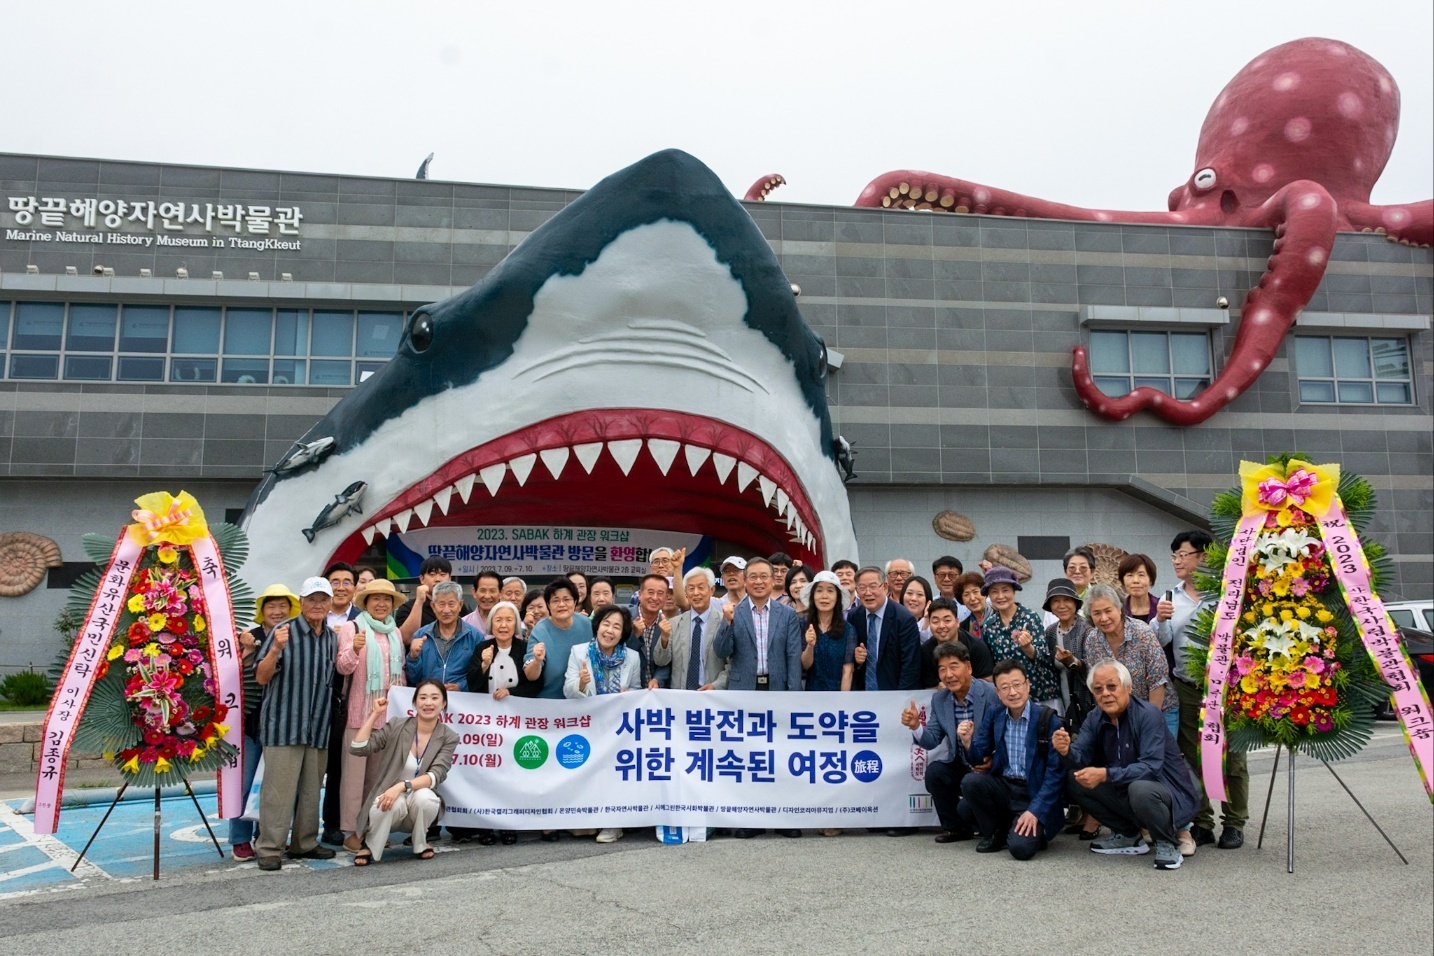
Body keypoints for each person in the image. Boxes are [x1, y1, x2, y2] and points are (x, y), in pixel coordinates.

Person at [1054, 660, 1201, 871]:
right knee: (1075, 778)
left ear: (1128, 688)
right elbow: (1079, 757)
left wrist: (1105, 774)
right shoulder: (1095, 717)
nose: (1105, 693)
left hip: (1168, 794)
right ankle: (1128, 835)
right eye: (1098, 689)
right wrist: (1065, 750)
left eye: (1112, 686)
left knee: (1140, 787)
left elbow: (1150, 768)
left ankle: (1166, 842)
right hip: (1127, 790)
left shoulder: (1148, 715)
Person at [1167, 530, 1247, 850]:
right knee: (1192, 757)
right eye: (1174, 556)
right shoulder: (1170, 597)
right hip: (1186, 687)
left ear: (1203, 557)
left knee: (1232, 758)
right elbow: (1163, 641)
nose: (1177, 561)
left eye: (1182, 555)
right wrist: (1159, 621)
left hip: (1227, 688)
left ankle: (1234, 823)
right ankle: (1202, 822)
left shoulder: (1228, 593)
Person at [713, 558, 803, 839]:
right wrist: (727, 623)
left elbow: (793, 656)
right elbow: (721, 650)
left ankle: (785, 818)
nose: (759, 581)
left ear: (773, 579)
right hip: (745, 693)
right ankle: (752, 818)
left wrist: (793, 697)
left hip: (777, 691)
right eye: (753, 576)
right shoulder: (733, 612)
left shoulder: (787, 614)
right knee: (750, 757)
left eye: (764, 576)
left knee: (780, 756)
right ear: (745, 580)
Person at [253, 577, 339, 871]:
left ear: (330, 604)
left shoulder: (331, 638)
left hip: (318, 726)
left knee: (311, 791)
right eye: (311, 599)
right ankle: (269, 847)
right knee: (278, 791)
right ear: (300, 603)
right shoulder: (283, 631)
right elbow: (261, 677)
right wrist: (275, 649)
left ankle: (304, 843)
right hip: (284, 725)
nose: (317, 605)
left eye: (323, 599)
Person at [957, 661, 1067, 860]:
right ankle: (996, 833)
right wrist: (967, 742)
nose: (1013, 692)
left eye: (1017, 685)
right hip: (1005, 787)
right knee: (969, 789)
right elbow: (977, 757)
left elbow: (1055, 775)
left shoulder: (1048, 719)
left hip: (1033, 793)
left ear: (1027, 685)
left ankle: (1029, 828)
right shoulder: (996, 714)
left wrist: (1035, 811)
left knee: (1020, 849)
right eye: (1005, 687)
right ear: (998, 692)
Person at [348, 679, 459, 865]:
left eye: (434, 698)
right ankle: (370, 844)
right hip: (391, 803)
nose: (428, 703)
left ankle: (420, 842)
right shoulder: (397, 725)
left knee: (426, 797)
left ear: (444, 703)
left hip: (416, 802)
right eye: (422, 698)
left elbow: (436, 775)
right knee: (392, 801)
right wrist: (375, 714)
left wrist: (401, 786)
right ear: (414, 702)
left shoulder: (449, 737)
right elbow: (358, 748)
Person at [334, 577, 407, 852]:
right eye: (375, 598)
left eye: (386, 599)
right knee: (353, 780)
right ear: (366, 602)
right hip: (359, 715)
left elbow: (400, 674)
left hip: (386, 718)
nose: (381, 603)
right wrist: (354, 648)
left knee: (378, 779)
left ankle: (374, 827)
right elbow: (342, 668)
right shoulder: (352, 628)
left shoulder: (395, 632)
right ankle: (352, 831)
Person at [901, 641, 998, 843]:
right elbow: (931, 740)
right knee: (935, 772)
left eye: (954, 667)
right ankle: (956, 829)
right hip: (961, 764)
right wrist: (916, 726)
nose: (949, 675)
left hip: (990, 767)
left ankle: (993, 828)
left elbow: (1005, 733)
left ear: (968, 667)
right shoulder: (940, 699)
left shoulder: (991, 693)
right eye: (942, 669)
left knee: (967, 808)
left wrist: (994, 759)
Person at [230, 584, 297, 861]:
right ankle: (239, 838)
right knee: (245, 783)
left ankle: (265, 836)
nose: (277, 611)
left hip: (283, 724)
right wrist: (246, 651)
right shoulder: (250, 637)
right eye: (271, 606)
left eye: (282, 606)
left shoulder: (296, 637)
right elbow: (235, 677)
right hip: (251, 723)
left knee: (275, 785)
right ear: (262, 610)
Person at [565, 604, 641, 845]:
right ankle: (588, 818)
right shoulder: (579, 652)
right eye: (606, 624)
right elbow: (567, 691)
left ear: (623, 632)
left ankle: (613, 823)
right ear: (597, 626)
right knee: (589, 772)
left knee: (616, 772)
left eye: (616, 626)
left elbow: (637, 689)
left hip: (618, 727)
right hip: (589, 723)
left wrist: (630, 695)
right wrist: (581, 683)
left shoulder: (632, 657)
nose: (610, 630)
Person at [319, 561, 361, 845]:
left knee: (338, 766)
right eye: (335, 582)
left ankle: (333, 824)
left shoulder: (362, 619)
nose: (341, 587)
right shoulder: (314, 614)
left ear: (355, 588)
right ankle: (299, 827)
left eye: (347, 582)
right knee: (311, 767)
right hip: (313, 699)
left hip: (344, 700)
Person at [980, 567, 1059, 707]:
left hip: (1040, 693)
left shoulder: (1030, 617)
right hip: (1010, 697)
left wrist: (1028, 648)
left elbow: (1046, 658)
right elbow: (991, 663)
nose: (1000, 596)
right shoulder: (989, 625)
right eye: (994, 592)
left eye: (1005, 590)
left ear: (1014, 591)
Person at [846, 566, 922, 693]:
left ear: (885, 587)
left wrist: (901, 698)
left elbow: (910, 666)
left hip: (894, 693)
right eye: (862, 588)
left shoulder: (904, 619)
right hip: (862, 694)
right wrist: (857, 659)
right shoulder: (854, 616)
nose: (868, 593)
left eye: (873, 586)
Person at [407, 581, 482, 692]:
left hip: (462, 700)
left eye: (451, 604)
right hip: (429, 698)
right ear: (433, 606)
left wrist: (461, 686)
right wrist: (413, 657)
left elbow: (480, 674)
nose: (446, 610)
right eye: (441, 604)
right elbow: (413, 678)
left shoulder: (475, 637)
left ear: (460, 605)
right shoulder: (421, 635)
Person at [526, 578, 595, 700]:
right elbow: (530, 675)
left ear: (575, 602)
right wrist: (537, 661)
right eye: (555, 600)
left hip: (584, 698)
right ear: (548, 605)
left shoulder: (587, 624)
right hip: (550, 701)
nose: (561, 605)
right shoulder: (540, 631)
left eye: (566, 599)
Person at [1043, 577, 1097, 730]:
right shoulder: (1050, 632)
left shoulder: (1087, 630)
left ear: (1075, 603)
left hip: (1084, 698)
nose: (1062, 605)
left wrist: (1073, 661)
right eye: (1056, 601)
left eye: (1067, 600)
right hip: (1060, 696)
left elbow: (1094, 666)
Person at [668, 568, 730, 692]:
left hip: (712, 695)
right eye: (691, 588)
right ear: (685, 592)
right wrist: (664, 639)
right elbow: (662, 662)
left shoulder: (725, 622)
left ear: (712, 590)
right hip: (680, 695)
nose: (696, 593)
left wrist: (716, 685)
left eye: (701, 588)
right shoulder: (674, 623)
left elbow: (733, 664)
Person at [799, 571, 857, 693]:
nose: (824, 596)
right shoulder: (804, 626)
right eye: (819, 590)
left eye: (830, 591)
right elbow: (805, 665)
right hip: (812, 693)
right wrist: (810, 645)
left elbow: (847, 671)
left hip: (838, 694)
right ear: (813, 596)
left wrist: (843, 700)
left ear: (837, 597)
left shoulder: (848, 630)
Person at [921, 597, 994, 687]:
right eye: (935, 621)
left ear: (957, 622)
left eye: (947, 620)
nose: (941, 626)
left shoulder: (976, 646)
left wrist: (961, 686)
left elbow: (988, 681)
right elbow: (928, 687)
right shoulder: (926, 650)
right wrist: (939, 689)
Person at [397, 557, 469, 643]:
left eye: (442, 574)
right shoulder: (407, 608)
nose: (437, 579)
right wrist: (419, 602)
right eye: (432, 574)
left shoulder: (458, 606)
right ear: (422, 579)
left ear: (449, 578)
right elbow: (405, 639)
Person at [626, 574, 673, 688]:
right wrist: (635, 635)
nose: (655, 598)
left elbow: (669, 661)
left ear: (666, 598)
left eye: (660, 593)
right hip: (628, 688)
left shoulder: (668, 624)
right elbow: (618, 654)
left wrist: (657, 680)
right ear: (640, 594)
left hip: (656, 692)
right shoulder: (624, 617)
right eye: (650, 592)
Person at [461, 569, 503, 636]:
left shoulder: (511, 625)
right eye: (483, 591)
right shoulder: (463, 624)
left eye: (492, 591)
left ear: (501, 593)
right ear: (474, 592)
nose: (487, 596)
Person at [955, 572, 988, 645]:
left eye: (975, 592)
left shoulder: (998, 618)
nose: (972, 598)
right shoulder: (962, 628)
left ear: (985, 593)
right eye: (966, 594)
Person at [901, 575, 934, 641]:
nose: (913, 598)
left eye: (920, 594)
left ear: (928, 600)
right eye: (909, 593)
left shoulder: (935, 623)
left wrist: (926, 620)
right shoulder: (894, 620)